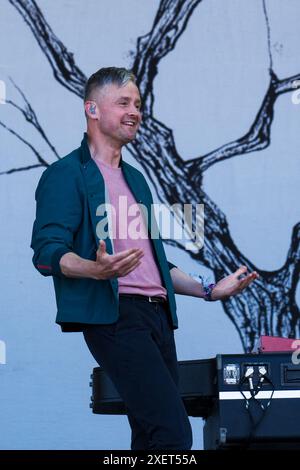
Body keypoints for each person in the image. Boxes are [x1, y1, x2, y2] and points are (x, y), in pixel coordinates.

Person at [31, 67, 259, 450]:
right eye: (122, 102)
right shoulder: (65, 174)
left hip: (157, 317)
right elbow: (47, 252)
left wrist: (209, 290)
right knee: (172, 432)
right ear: (92, 109)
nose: (134, 111)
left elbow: (155, 263)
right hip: (115, 315)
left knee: (151, 436)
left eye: (137, 103)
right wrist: (95, 269)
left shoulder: (136, 179)